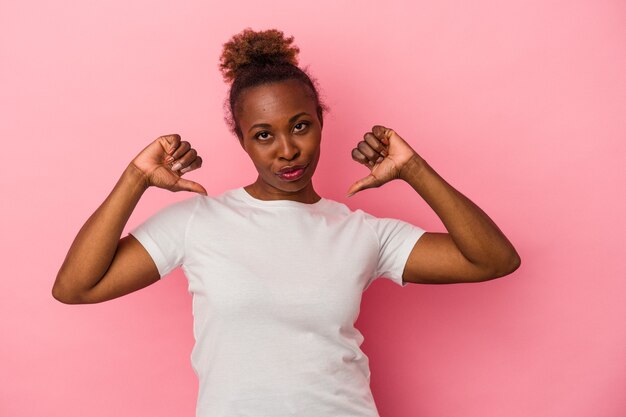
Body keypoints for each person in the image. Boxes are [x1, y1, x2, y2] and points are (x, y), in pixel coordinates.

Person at [53, 28, 520, 417]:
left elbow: (494, 260)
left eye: (300, 125)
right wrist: (135, 178)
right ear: (243, 141)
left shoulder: (362, 232)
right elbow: (76, 287)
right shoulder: (198, 222)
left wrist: (415, 169)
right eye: (263, 135)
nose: (287, 150)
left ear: (320, 121)